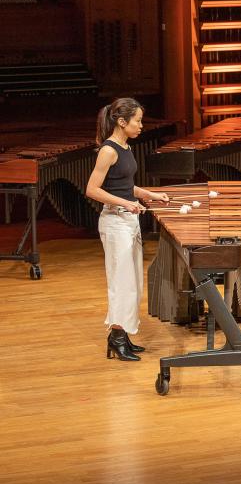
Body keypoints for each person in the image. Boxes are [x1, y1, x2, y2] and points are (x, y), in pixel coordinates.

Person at [85, 98, 169, 361]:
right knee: (121, 282)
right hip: (114, 222)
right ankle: (117, 337)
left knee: (132, 282)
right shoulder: (108, 150)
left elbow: (123, 185)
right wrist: (127, 204)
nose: (141, 126)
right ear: (122, 122)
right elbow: (93, 190)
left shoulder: (125, 147)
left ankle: (121, 336)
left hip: (128, 219)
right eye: (138, 121)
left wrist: (148, 195)